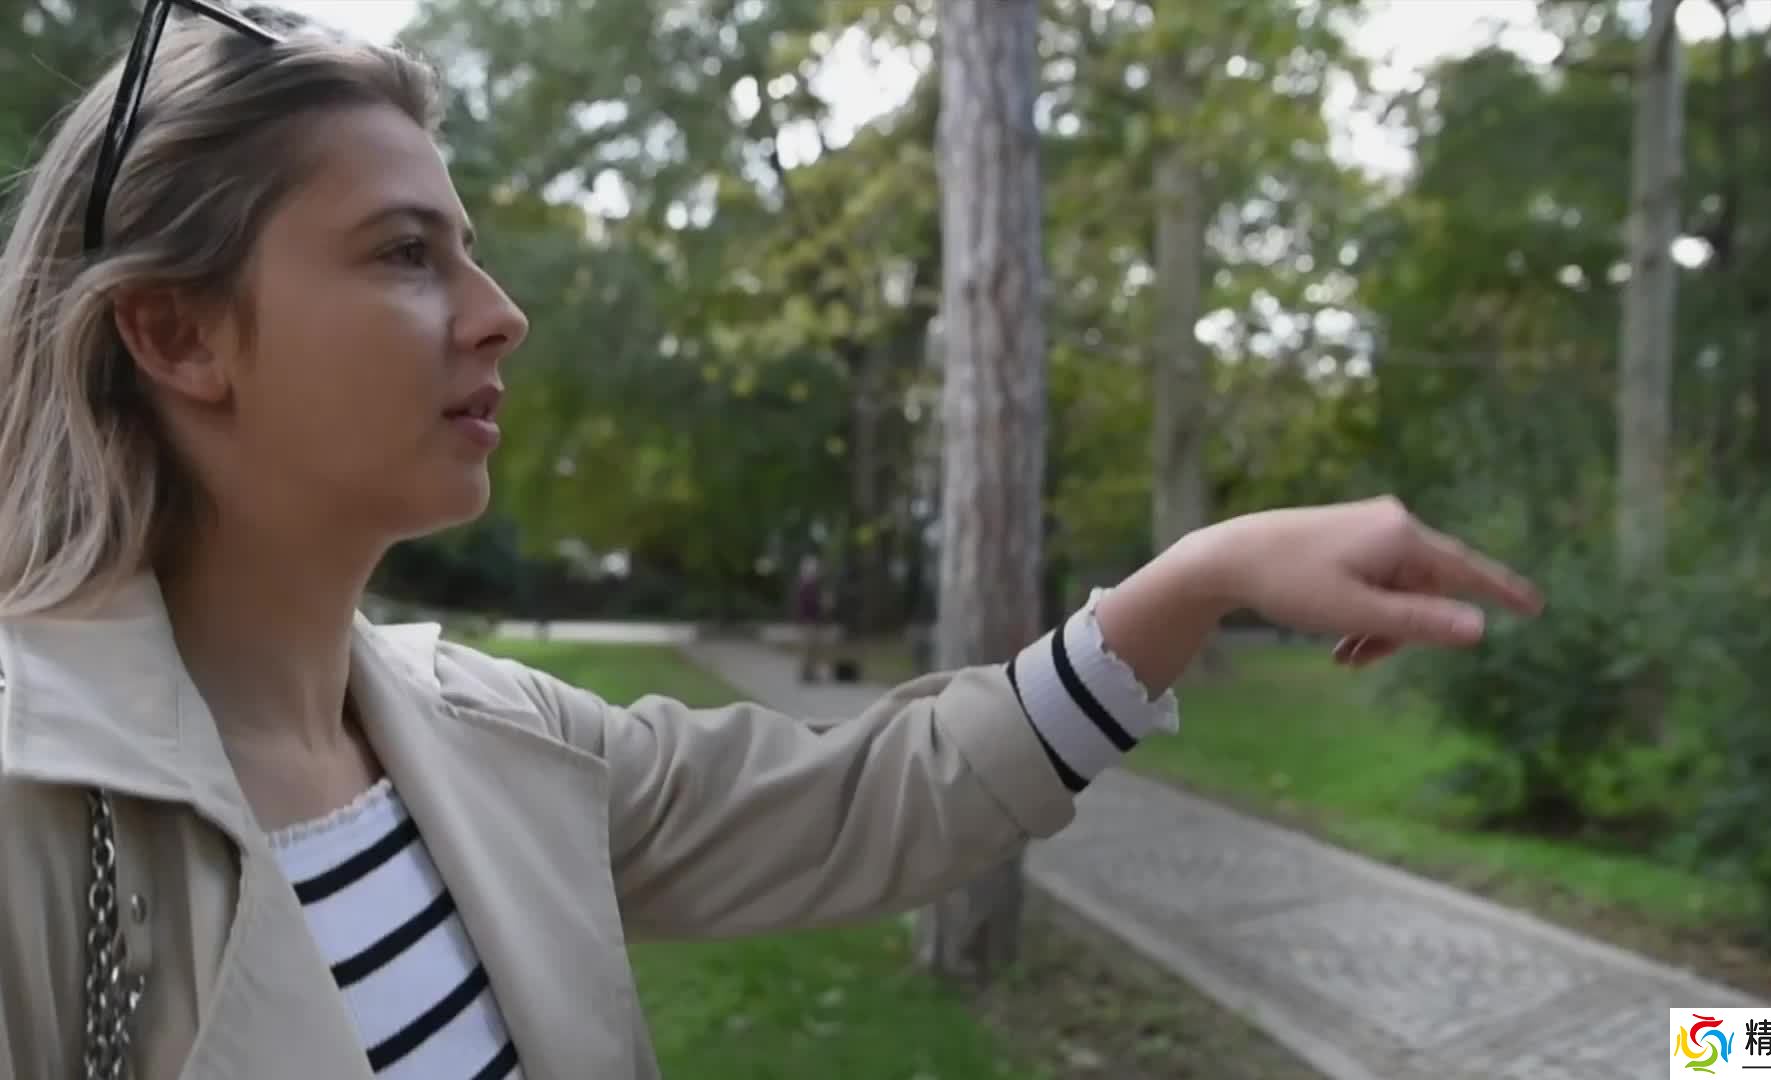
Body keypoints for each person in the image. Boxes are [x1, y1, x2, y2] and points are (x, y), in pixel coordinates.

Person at [0, 4, 1545, 1079]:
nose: (500, 313)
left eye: (471, 251)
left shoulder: (488, 739)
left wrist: (1200, 577)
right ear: (178, 333)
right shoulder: (36, 813)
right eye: (407, 253)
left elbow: (873, 798)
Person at [793, 554, 827, 683]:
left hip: (811, 621)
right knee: (808, 648)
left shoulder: (811, 584)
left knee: (813, 648)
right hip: (808, 621)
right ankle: (806, 674)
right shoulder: (806, 585)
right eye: (815, 569)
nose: (817, 571)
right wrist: (822, 603)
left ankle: (810, 674)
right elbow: (808, 604)